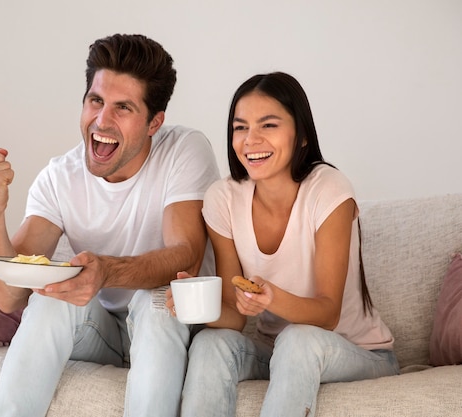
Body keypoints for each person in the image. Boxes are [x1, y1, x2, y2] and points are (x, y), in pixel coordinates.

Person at [0, 33, 220, 417]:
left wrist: (106, 272)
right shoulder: (59, 176)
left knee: (154, 306)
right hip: (98, 331)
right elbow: (8, 296)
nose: (102, 120)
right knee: (50, 300)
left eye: (123, 108)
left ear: (154, 123)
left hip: (164, 328)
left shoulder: (184, 150)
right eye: (96, 101)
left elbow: (186, 254)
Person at [170, 72, 399, 417]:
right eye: (240, 127)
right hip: (276, 350)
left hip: (357, 352)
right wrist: (195, 307)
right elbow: (233, 316)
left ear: (302, 135)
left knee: (298, 339)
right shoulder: (223, 198)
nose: (251, 140)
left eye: (269, 125)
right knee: (210, 343)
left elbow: (327, 313)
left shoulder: (329, 190)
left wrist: (272, 297)